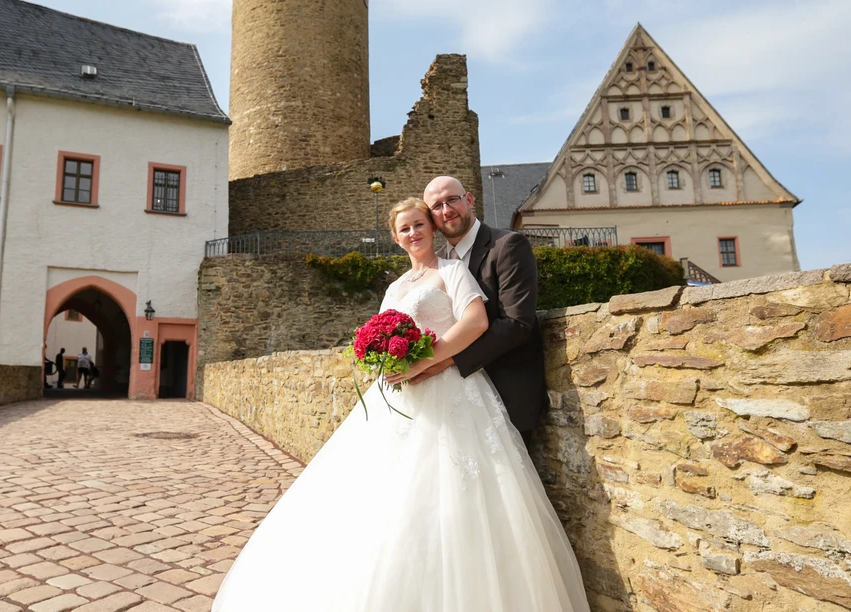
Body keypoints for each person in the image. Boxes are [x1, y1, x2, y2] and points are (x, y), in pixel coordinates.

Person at [211, 199, 589, 612]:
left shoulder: (453, 271)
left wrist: (428, 360)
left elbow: (477, 323)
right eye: (405, 229)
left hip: (451, 391)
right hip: (398, 399)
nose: (414, 233)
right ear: (395, 238)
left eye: (420, 225)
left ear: (431, 228)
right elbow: (378, 334)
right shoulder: (394, 288)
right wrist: (386, 360)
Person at [414, 175, 548, 451]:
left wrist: (446, 359)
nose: (447, 210)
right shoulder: (436, 263)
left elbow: (516, 323)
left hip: (506, 392)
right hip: (450, 401)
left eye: (452, 199)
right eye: (437, 206)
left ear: (470, 199)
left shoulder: (508, 246)